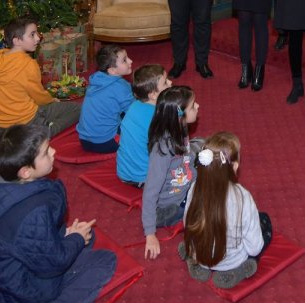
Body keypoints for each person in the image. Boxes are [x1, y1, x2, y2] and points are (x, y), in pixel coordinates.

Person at [0, 124, 116, 303]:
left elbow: (32, 240)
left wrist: (70, 236)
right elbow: (52, 264)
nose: (53, 152)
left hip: (5, 284)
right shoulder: (31, 211)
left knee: (88, 235)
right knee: (105, 261)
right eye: (45, 152)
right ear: (25, 172)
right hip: (19, 298)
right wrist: (75, 239)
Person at [180, 131, 272, 289]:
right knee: (264, 221)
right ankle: (240, 270)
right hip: (231, 261)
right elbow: (254, 247)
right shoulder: (242, 197)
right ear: (235, 166)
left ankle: (193, 259)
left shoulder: (195, 187)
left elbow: (186, 223)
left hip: (200, 254)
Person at [0, 16, 81, 141]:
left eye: (37, 33)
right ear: (17, 41)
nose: (38, 38)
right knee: (78, 109)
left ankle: (9, 137)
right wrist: (51, 99)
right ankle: (44, 132)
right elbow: (39, 96)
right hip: (25, 121)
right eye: (32, 35)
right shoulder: (28, 64)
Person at [141, 86, 200, 260]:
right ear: (179, 117)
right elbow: (150, 192)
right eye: (192, 106)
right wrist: (150, 234)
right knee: (208, 210)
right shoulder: (162, 151)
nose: (198, 106)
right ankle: (194, 250)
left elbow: (185, 158)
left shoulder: (180, 130)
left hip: (184, 187)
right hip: (170, 207)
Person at [116, 64, 171, 185]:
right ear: (153, 95)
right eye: (165, 83)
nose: (170, 82)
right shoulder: (158, 116)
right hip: (144, 177)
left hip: (124, 172)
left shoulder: (135, 105)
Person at [77, 45, 134, 153]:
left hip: (84, 141)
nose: (130, 61)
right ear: (112, 70)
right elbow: (134, 113)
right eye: (124, 60)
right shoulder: (121, 86)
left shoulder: (95, 79)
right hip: (106, 142)